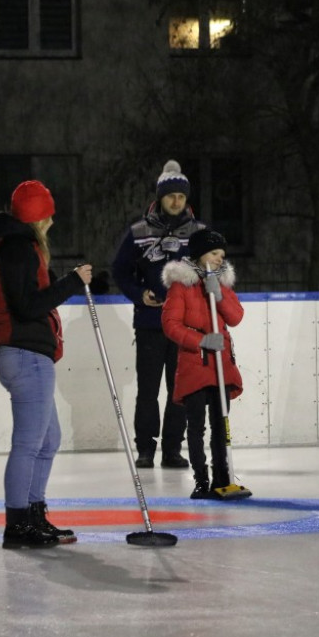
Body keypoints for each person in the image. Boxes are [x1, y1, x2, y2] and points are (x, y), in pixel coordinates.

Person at [0, 179, 93, 549]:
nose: (52, 222)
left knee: (48, 440)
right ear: (38, 217)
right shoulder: (17, 248)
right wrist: (72, 282)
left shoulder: (10, 246)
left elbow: (32, 295)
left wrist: (74, 282)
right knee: (29, 444)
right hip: (25, 355)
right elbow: (29, 305)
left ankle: (33, 514)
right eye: (49, 216)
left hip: (25, 354)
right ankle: (18, 524)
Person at [112, 160, 206, 469]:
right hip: (150, 325)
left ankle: (172, 449)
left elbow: (212, 270)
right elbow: (119, 270)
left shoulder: (199, 233)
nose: (176, 202)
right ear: (160, 197)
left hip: (185, 327)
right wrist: (139, 293)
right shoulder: (139, 232)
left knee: (180, 390)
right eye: (170, 196)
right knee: (148, 390)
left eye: (181, 196)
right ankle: (145, 449)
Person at [161, 229, 245, 499]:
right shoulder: (181, 285)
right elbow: (171, 325)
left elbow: (236, 317)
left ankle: (223, 477)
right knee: (196, 426)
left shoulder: (221, 283)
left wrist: (219, 295)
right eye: (214, 253)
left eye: (222, 254)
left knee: (221, 423)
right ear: (199, 255)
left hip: (221, 365)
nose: (220, 259)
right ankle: (201, 480)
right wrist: (201, 340)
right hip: (195, 364)